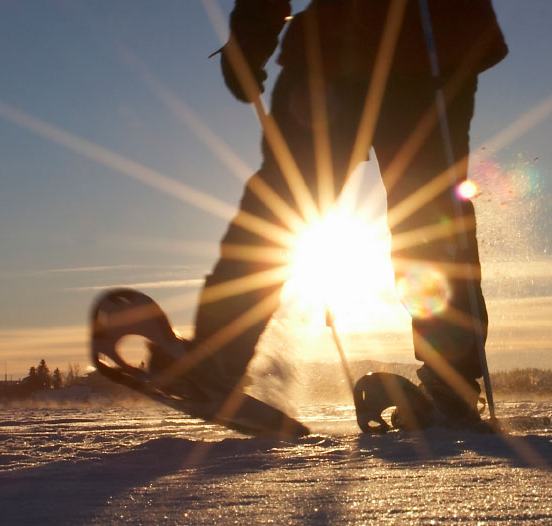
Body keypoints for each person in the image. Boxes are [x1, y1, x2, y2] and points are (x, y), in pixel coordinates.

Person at [182, 0, 507, 429]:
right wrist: (251, 36)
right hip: (351, 52)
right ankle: (217, 356)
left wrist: (253, 36)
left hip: (423, 51)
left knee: (427, 219)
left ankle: (452, 383)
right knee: (301, 200)